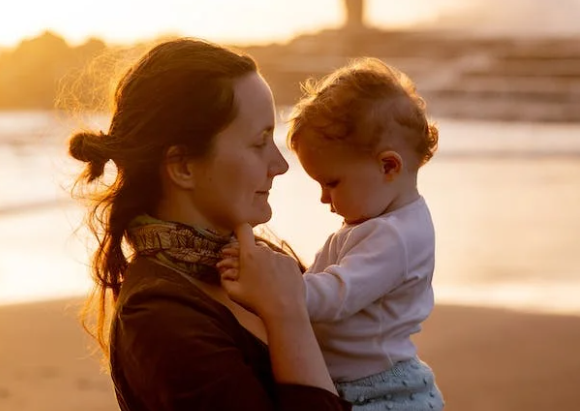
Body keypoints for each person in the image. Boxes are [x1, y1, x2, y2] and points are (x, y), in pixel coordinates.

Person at [68, 38, 351, 411]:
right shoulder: (158, 318)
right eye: (259, 142)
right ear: (183, 166)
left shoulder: (256, 259)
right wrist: (288, 318)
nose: (280, 165)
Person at [220, 57, 445, 410]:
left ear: (388, 166)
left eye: (332, 182)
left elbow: (338, 294)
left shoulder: (396, 237)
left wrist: (276, 287)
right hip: (356, 383)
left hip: (383, 393)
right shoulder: (379, 223)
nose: (324, 198)